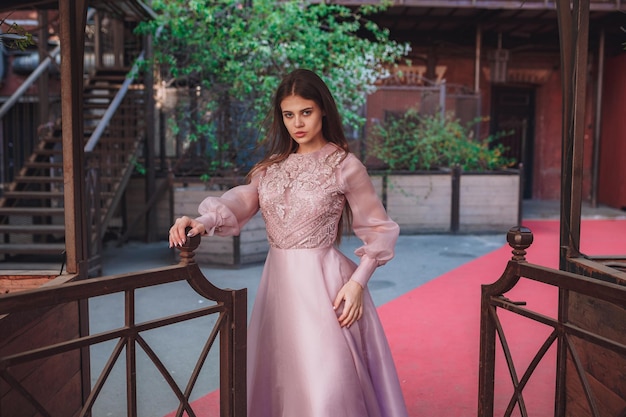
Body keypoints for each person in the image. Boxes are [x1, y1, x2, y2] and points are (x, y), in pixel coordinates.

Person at [169, 69, 408, 417]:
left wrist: (358, 283)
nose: (298, 122)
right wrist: (201, 221)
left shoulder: (344, 166)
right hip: (278, 287)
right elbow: (242, 201)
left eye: (306, 112)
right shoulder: (271, 168)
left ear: (323, 110)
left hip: (326, 287)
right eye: (289, 114)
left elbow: (379, 228)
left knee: (327, 380)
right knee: (282, 376)